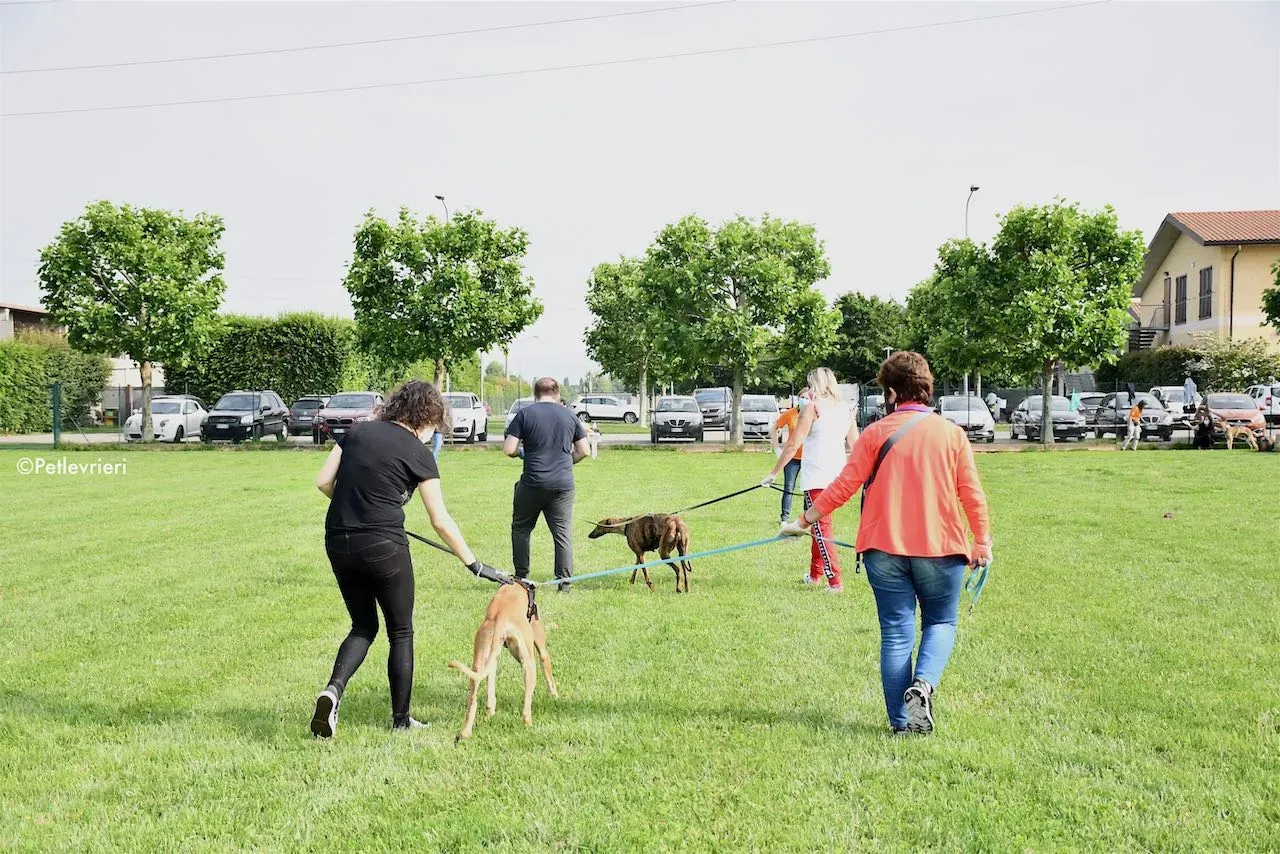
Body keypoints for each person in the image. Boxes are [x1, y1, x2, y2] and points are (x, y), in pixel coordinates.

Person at [781, 351, 992, 735]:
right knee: (941, 622)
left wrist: (804, 520)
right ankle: (923, 685)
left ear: (893, 393)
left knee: (896, 633)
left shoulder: (876, 433)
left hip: (884, 549)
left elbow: (844, 485)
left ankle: (901, 722)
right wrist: (983, 542)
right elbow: (971, 493)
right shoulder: (952, 434)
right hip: (942, 549)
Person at [311, 380, 509, 738]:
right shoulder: (419, 453)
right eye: (434, 426)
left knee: (363, 625)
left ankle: (332, 691)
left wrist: (358, 507)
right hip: (384, 544)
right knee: (401, 631)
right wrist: (473, 563)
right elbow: (440, 519)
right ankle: (401, 720)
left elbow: (324, 481)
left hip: (338, 540)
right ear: (426, 417)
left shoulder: (357, 432)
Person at [762, 368, 858, 592]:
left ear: (815, 384)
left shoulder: (812, 408)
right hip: (838, 478)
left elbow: (794, 444)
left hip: (817, 477)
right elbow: (856, 446)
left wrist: (773, 473)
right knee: (818, 524)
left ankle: (835, 582)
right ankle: (815, 575)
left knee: (822, 527)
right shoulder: (845, 409)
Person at [503, 377, 591, 590]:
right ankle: (564, 582)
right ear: (557, 393)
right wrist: (565, 462)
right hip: (562, 484)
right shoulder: (570, 415)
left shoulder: (524, 414)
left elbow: (509, 449)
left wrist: (523, 453)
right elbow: (584, 451)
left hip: (532, 482)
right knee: (562, 533)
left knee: (521, 528)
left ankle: (521, 578)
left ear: (535, 394)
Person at [770, 388, 808, 524]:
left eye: (808, 397)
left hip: (808, 458)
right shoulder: (790, 414)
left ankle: (807, 517)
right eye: (802, 397)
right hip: (792, 458)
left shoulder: (813, 414)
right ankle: (784, 518)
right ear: (798, 399)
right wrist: (776, 448)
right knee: (788, 487)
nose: (805, 400)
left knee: (808, 489)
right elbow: (774, 429)